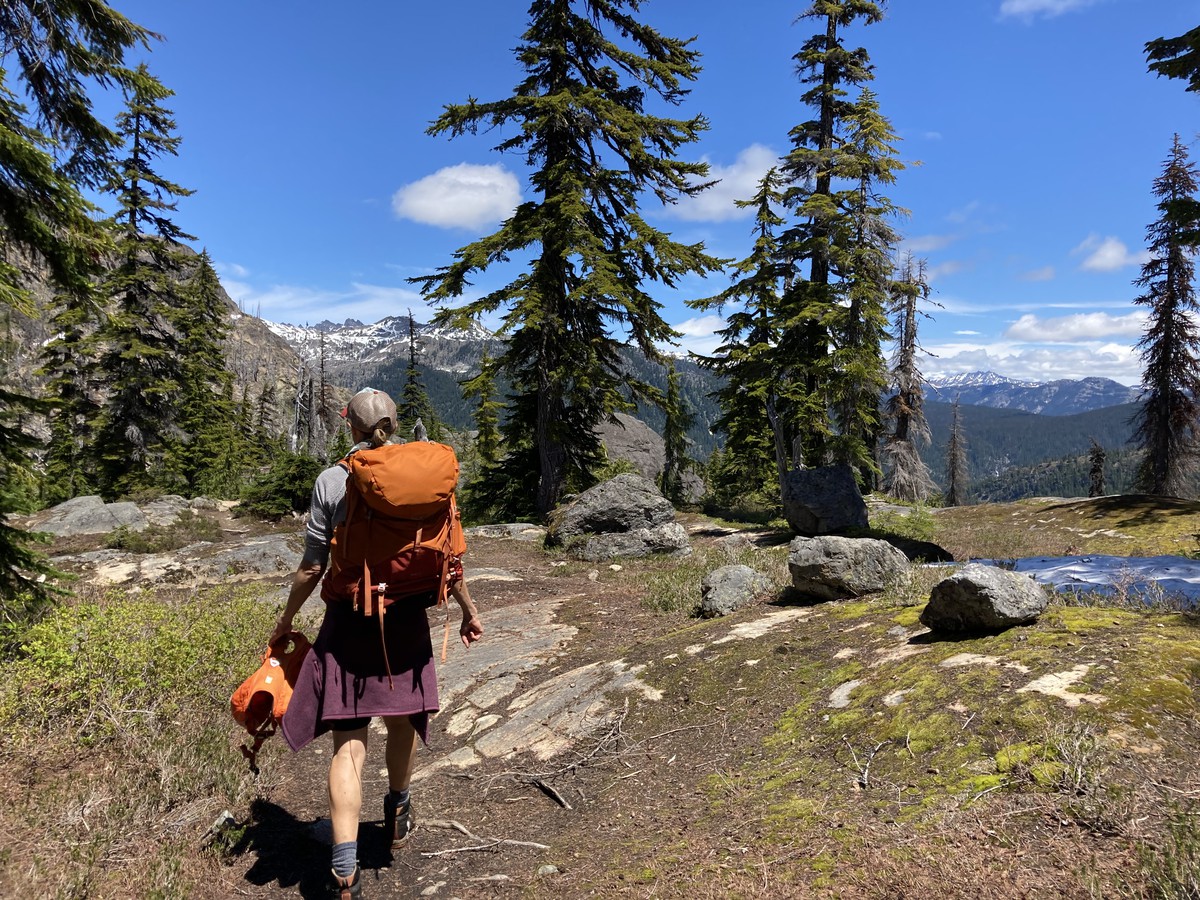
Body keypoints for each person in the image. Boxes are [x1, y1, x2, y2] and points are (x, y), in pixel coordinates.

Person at [269, 387, 483, 900]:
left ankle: (344, 866)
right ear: (392, 422)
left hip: (349, 622)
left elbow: (311, 567)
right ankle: (399, 809)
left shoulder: (332, 481)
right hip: (407, 617)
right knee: (403, 720)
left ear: (351, 427)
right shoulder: (428, 478)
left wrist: (285, 622)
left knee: (349, 744)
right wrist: (471, 611)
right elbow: (447, 556)